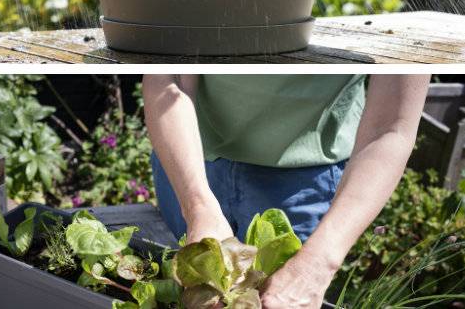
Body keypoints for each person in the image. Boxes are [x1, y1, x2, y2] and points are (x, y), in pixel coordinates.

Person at [142, 74, 428, 309]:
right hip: (190, 162)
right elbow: (169, 79)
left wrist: (316, 264)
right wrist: (197, 206)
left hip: (302, 185)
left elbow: (390, 127)